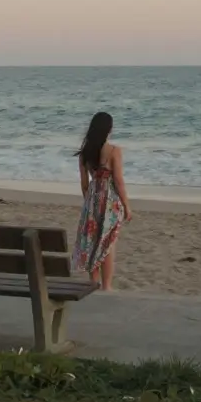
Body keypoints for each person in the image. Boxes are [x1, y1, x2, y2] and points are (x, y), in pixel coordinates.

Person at [71, 111, 132, 291]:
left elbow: (84, 184)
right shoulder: (114, 151)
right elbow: (119, 181)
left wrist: (89, 202)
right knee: (108, 242)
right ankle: (107, 286)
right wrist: (127, 206)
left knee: (93, 240)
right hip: (110, 201)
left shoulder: (85, 154)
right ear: (109, 129)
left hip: (92, 201)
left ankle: (94, 283)